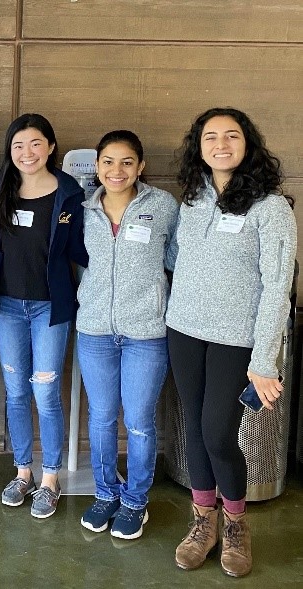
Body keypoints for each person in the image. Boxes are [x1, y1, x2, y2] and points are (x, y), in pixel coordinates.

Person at [167, 107, 295, 577]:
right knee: (197, 431)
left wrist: (264, 358)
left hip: (236, 341)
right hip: (183, 330)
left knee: (218, 431)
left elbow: (277, 285)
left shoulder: (270, 207)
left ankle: (236, 523)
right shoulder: (194, 198)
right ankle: (203, 521)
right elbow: (177, 258)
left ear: (248, 144)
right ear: (199, 147)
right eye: (210, 137)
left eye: (232, 135)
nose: (221, 144)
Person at [75, 130, 179, 539]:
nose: (116, 171)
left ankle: (135, 501)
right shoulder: (82, 209)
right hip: (95, 331)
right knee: (100, 419)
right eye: (108, 162)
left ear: (141, 166)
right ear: (97, 165)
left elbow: (177, 262)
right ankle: (105, 493)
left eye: (126, 162)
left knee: (138, 421)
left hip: (147, 334)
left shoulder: (164, 207)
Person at [0, 113, 87, 518]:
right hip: (7, 306)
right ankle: (22, 471)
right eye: (18, 146)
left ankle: (50, 479)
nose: (26, 153)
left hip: (50, 308)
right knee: (15, 392)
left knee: (45, 392)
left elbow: (81, 250)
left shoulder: (69, 193)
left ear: (49, 147)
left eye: (34, 144)